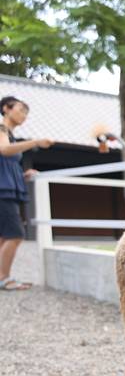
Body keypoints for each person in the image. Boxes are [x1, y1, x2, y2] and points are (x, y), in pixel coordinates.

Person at [0, 96, 53, 291]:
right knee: (15, 234)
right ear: (6, 108)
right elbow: (3, 150)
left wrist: (22, 175)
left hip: (7, 189)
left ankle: (3, 277)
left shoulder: (8, 134)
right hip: (3, 192)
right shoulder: (2, 129)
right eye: (21, 109)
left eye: (26, 113)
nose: (24, 115)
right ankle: (4, 278)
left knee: (5, 236)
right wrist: (35, 141)